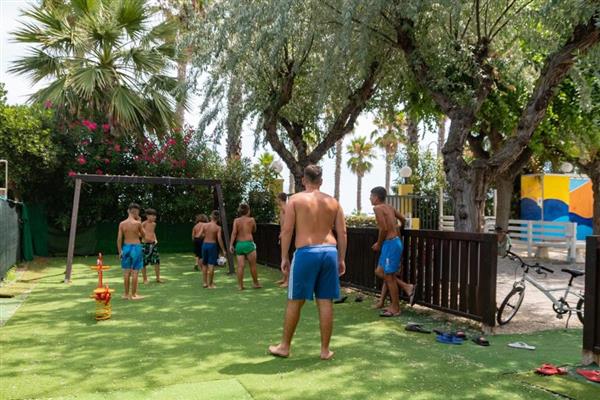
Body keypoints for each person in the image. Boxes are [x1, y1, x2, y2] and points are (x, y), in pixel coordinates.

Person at [268, 165, 347, 360]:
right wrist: (341, 258)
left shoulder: (295, 200)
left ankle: (284, 347)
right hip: (329, 251)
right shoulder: (333, 202)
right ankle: (325, 350)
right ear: (321, 181)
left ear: (304, 180)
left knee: (295, 300)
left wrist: (284, 257)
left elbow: (287, 230)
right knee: (325, 301)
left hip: (306, 252)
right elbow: (343, 233)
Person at [370, 186, 414, 317]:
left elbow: (383, 228)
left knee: (389, 276)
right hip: (393, 243)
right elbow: (403, 220)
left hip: (390, 244)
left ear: (376, 197)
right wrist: (398, 231)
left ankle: (396, 307)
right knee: (380, 272)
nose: (370, 198)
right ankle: (405, 287)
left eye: (371, 196)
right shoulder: (389, 207)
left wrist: (378, 244)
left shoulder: (377, 208)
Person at [117, 203, 145, 300]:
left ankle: (126, 294)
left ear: (128, 211)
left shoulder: (122, 224)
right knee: (135, 272)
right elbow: (143, 235)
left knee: (126, 272)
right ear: (136, 212)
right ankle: (133, 295)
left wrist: (120, 251)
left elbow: (119, 239)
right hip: (136, 247)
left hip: (126, 247)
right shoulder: (137, 223)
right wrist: (140, 221)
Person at [230, 204, 261, 290]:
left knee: (240, 266)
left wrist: (231, 244)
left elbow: (234, 233)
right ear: (248, 211)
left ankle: (240, 286)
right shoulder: (251, 220)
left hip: (239, 244)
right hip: (249, 243)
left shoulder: (236, 220)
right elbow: (254, 230)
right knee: (253, 265)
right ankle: (256, 283)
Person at [199, 210, 226, 289]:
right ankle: (210, 284)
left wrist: (205, 235)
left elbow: (200, 235)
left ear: (211, 216)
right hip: (212, 246)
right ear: (218, 218)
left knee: (204, 264)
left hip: (204, 245)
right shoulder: (218, 227)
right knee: (211, 264)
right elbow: (219, 239)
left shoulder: (204, 225)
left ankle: (205, 283)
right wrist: (223, 249)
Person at [142, 208, 163, 284]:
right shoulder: (143, 224)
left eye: (155, 215)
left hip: (153, 244)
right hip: (145, 245)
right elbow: (139, 233)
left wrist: (155, 239)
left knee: (157, 261)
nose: (155, 217)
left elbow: (153, 232)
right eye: (153, 215)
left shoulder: (154, 224)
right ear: (147, 216)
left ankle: (158, 278)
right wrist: (145, 238)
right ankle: (145, 279)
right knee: (144, 262)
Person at [275, 192, 289, 288]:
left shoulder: (286, 208)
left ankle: (288, 280)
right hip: (283, 235)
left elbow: (288, 223)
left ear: (280, 199)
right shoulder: (282, 209)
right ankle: (284, 278)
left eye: (277, 198)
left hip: (285, 235)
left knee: (286, 258)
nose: (276, 200)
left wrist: (283, 233)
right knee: (283, 256)